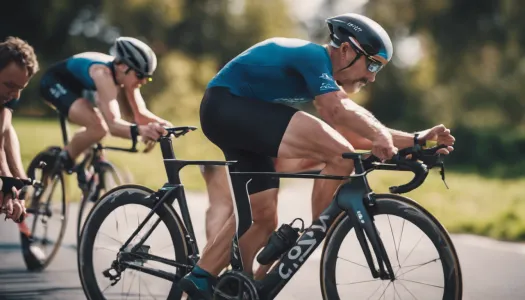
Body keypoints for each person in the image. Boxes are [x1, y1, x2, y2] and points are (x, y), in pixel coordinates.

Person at [179, 13, 456, 299]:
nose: (372, 77)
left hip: (235, 114)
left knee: (261, 219)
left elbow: (346, 135)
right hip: (228, 105)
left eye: (378, 69)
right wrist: (380, 136)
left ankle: (219, 281)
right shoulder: (313, 57)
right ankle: (316, 232)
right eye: (372, 64)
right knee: (341, 155)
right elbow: (337, 113)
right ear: (347, 50)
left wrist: (414, 140)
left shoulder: (324, 81)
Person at [39, 36, 172, 173]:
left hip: (80, 88)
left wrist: (165, 125)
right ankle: (64, 158)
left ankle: (88, 181)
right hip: (54, 82)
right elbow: (113, 125)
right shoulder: (103, 74)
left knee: (96, 138)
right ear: (123, 66)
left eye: (147, 77)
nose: (143, 81)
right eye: (140, 76)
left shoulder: (126, 77)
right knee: (99, 128)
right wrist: (143, 130)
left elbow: (140, 115)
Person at [0, 36, 39, 223]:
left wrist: (15, 184)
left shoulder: (9, 94)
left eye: (20, 88)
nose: (15, 94)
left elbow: (3, 134)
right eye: (10, 86)